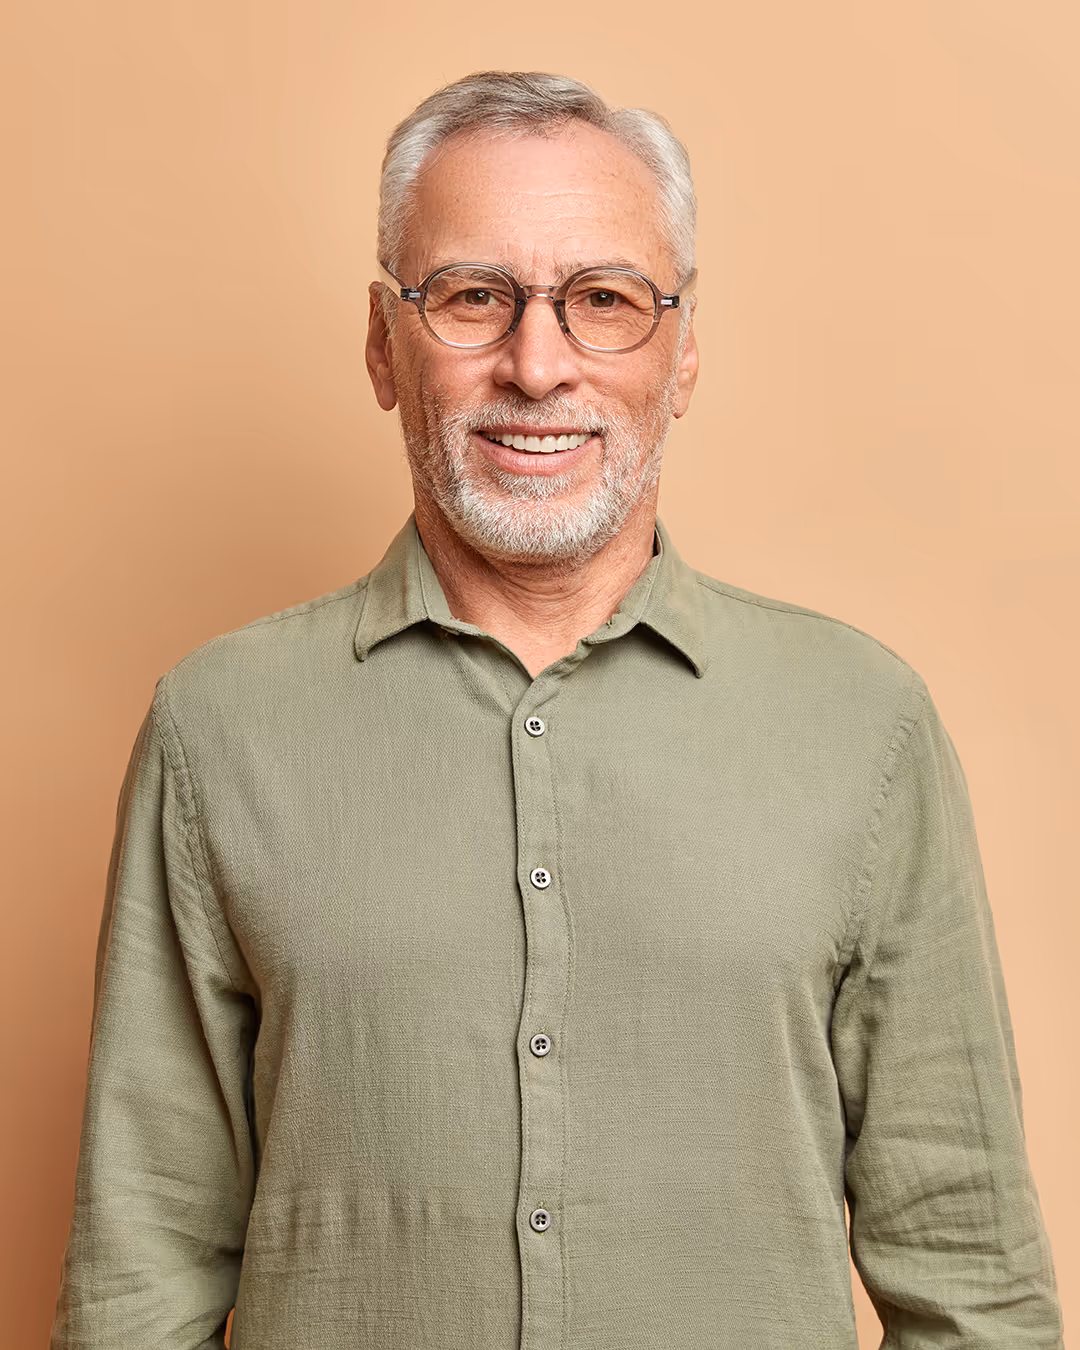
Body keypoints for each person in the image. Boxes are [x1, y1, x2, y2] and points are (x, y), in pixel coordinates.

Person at [50, 70, 1064, 1350]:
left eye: (605, 302)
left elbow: (972, 1277)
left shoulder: (866, 727)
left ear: (682, 349)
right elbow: (140, 1275)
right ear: (382, 343)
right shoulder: (217, 728)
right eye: (473, 298)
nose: (538, 366)